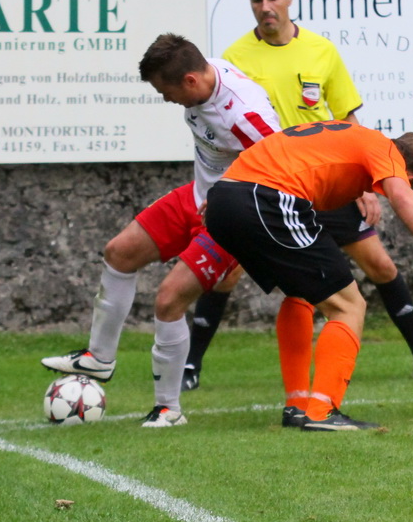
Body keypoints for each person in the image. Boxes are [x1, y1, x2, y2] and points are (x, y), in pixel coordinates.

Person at [182, 0, 413, 404]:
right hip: (273, 186)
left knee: (380, 266)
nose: (265, 7)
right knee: (230, 275)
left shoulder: (321, 50)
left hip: (327, 182)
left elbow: (347, 118)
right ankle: (193, 366)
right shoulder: (234, 58)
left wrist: (365, 186)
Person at [40, 34, 281, 427]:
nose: (166, 99)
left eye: (166, 92)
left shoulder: (245, 116)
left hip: (230, 217)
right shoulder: (205, 72)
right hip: (198, 196)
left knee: (168, 299)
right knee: (119, 252)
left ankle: (169, 409)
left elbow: (281, 167)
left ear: (189, 80)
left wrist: (235, 203)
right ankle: (99, 358)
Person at [205, 121, 413, 431]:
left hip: (224, 198)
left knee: (301, 293)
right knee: (349, 306)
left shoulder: (348, 136)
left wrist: (230, 201)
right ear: (411, 176)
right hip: (265, 199)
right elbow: (403, 196)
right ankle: (322, 411)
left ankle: (298, 404)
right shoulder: (384, 149)